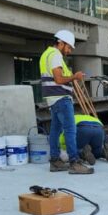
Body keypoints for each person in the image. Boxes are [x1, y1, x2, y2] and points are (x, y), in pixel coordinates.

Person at [40, 29, 92, 174]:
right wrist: (75, 77)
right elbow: (58, 79)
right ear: (61, 43)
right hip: (61, 98)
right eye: (68, 47)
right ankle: (74, 162)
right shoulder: (55, 55)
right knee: (70, 130)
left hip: (53, 99)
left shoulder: (46, 54)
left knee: (55, 131)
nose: (68, 51)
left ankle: (55, 161)